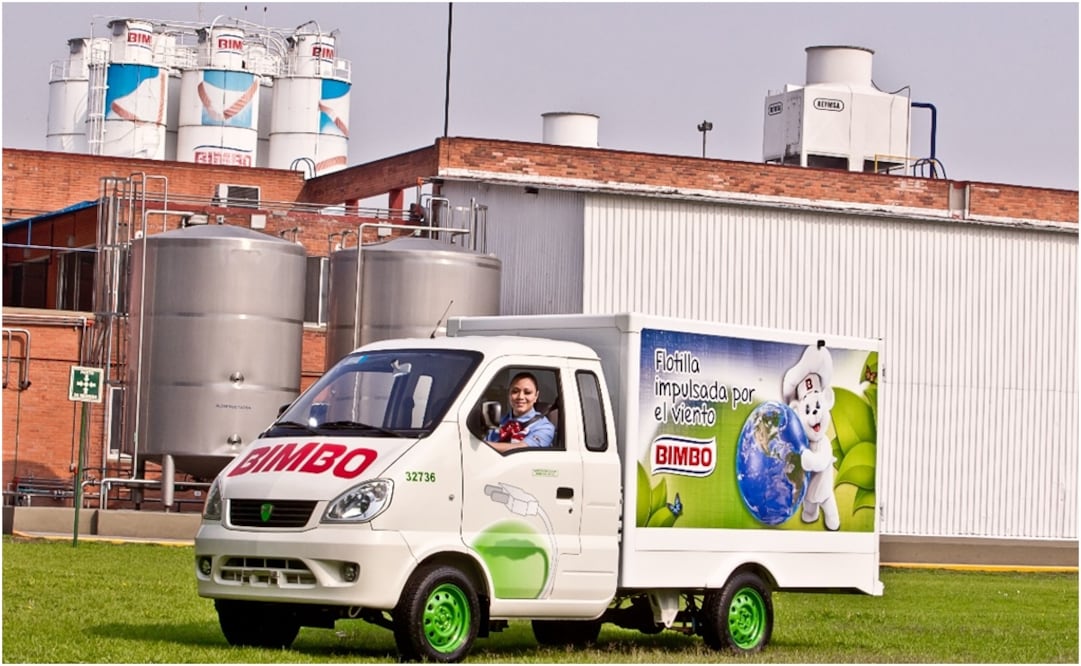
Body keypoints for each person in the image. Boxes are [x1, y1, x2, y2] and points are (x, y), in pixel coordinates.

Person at [486, 372, 556, 452]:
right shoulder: (498, 422)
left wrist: (484, 446)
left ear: (536, 396)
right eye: (515, 391)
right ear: (509, 394)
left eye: (527, 392)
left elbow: (522, 449)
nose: (520, 397)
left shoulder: (545, 427)